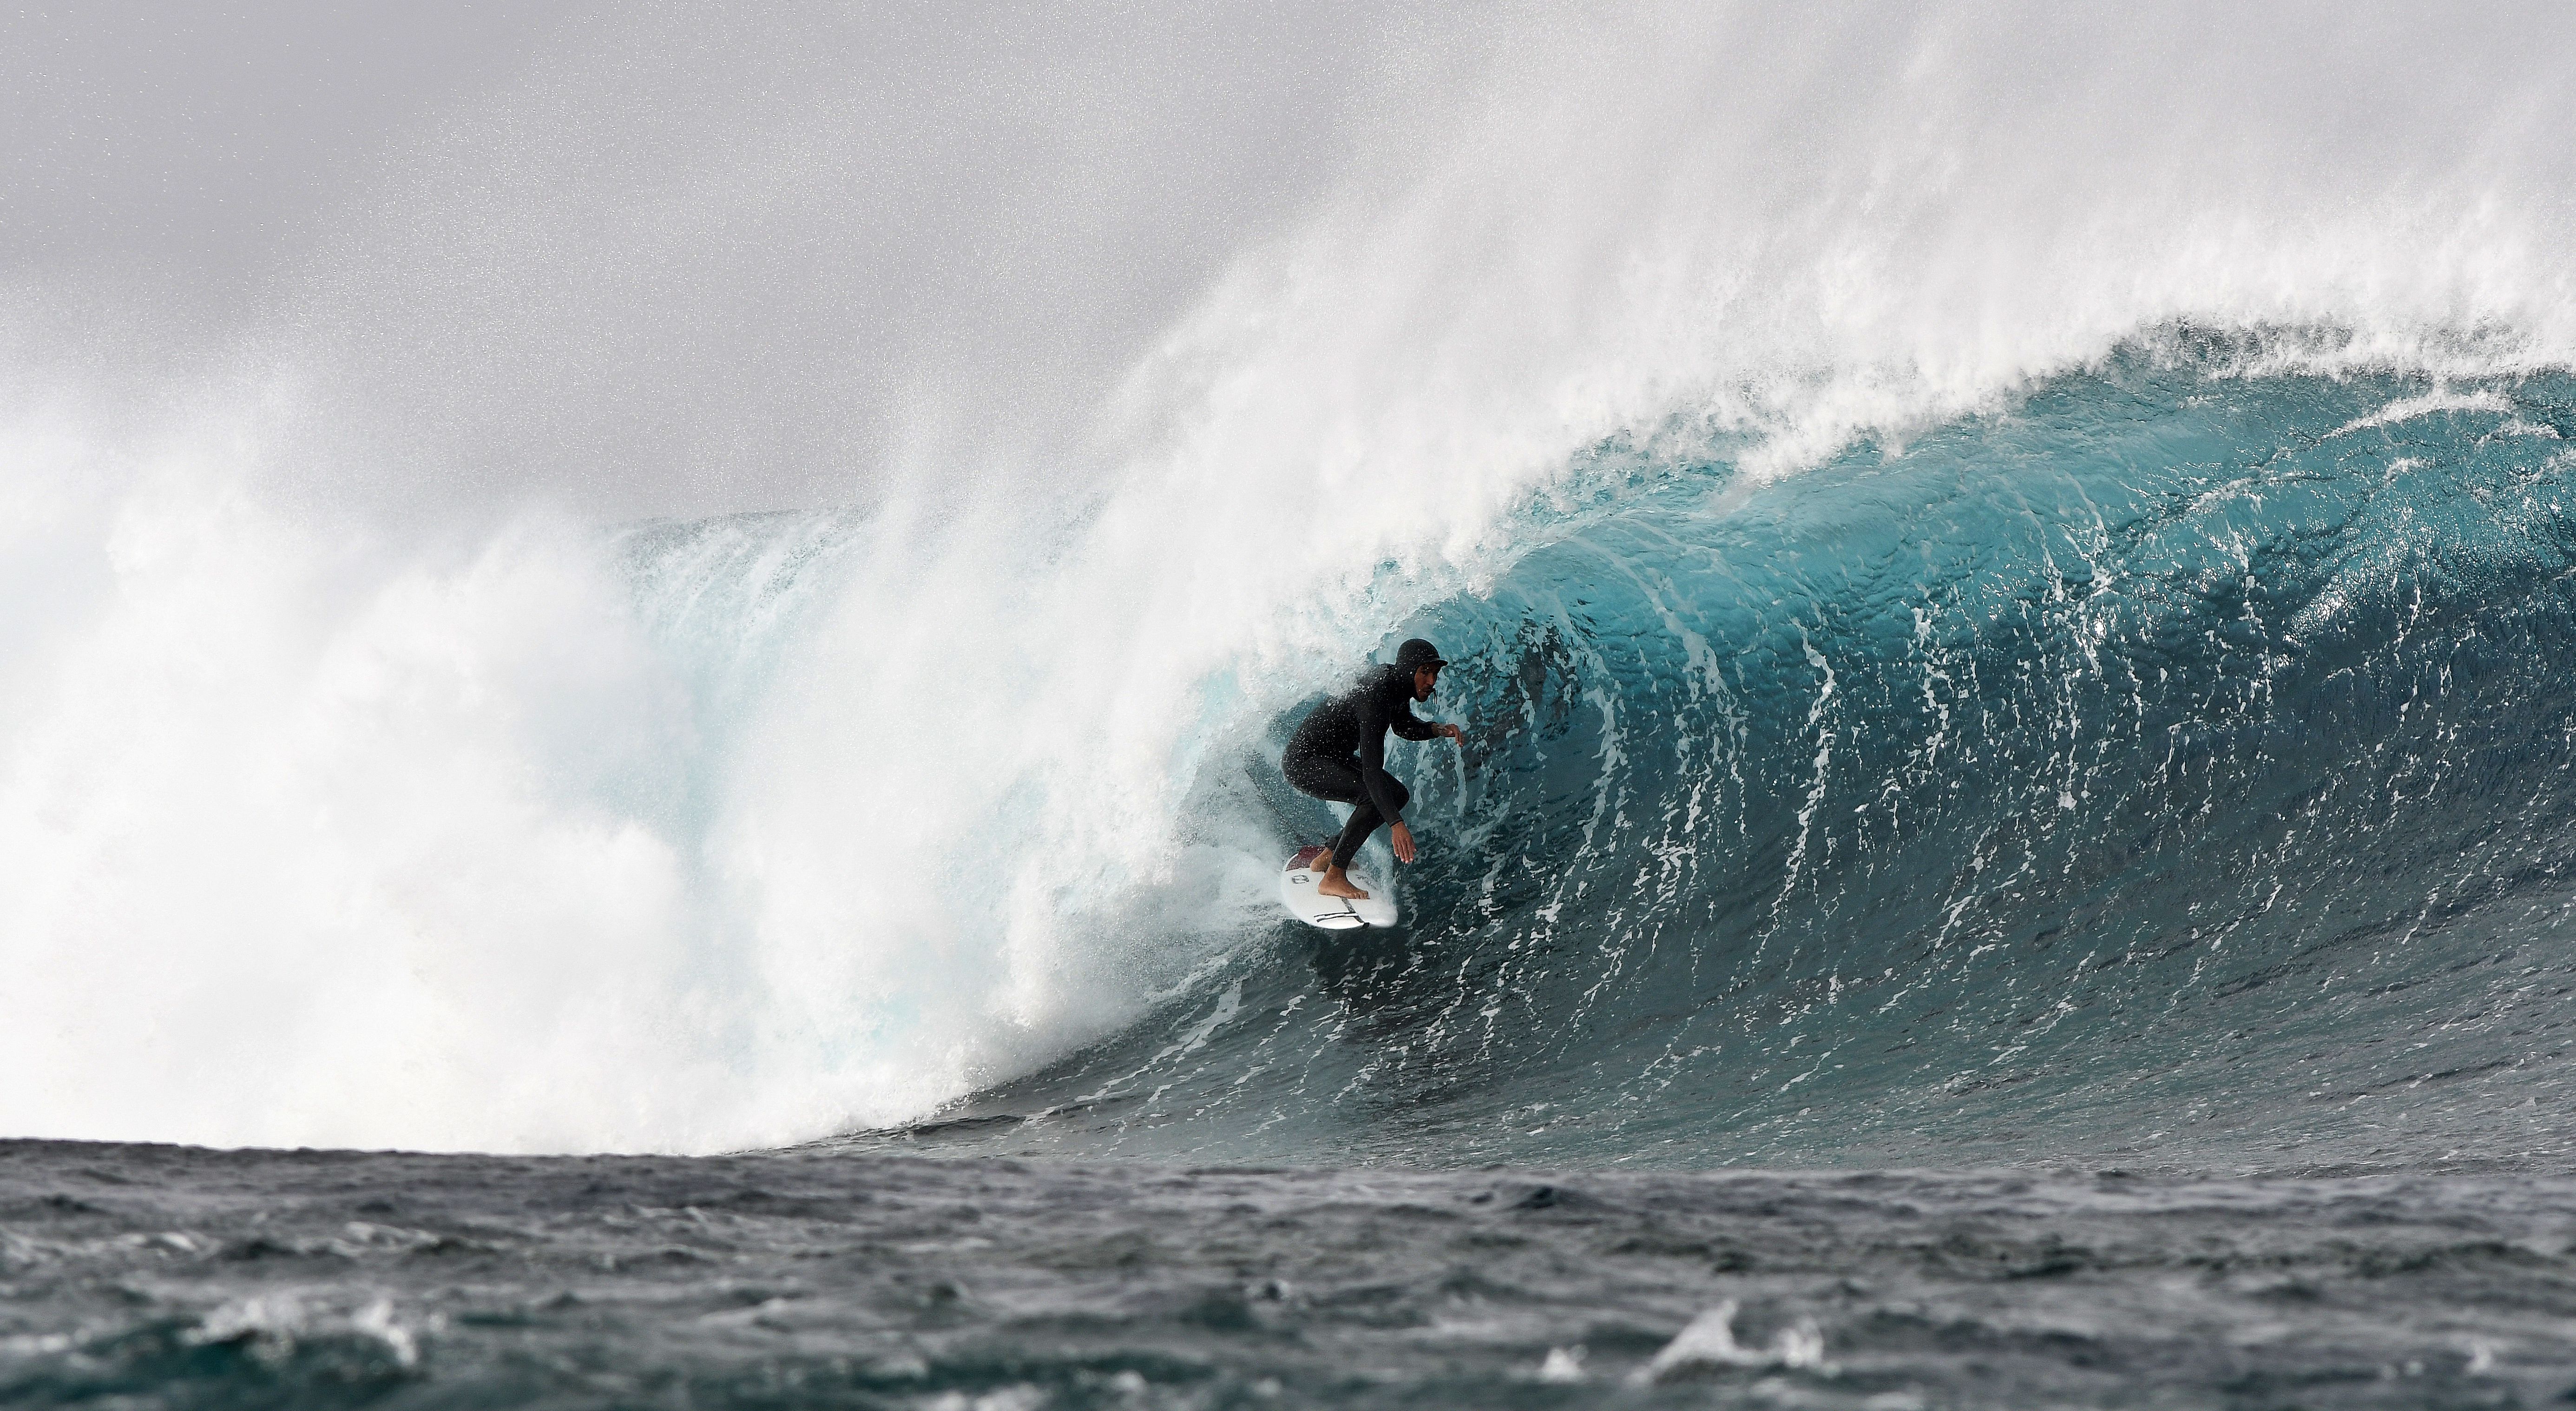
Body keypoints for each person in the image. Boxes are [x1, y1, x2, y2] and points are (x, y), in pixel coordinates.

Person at [1283, 637, 1465, 900]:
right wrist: (1396, 825)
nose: (1431, 681)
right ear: (1408, 669)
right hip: (1305, 763)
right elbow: (1372, 772)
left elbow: (1403, 726)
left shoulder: (1396, 686)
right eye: (1425, 672)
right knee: (1372, 797)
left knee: (1398, 795)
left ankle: (1328, 856)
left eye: (1435, 673)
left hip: (1331, 757)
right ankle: (1333, 877)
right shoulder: (1376, 696)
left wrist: (1435, 730)